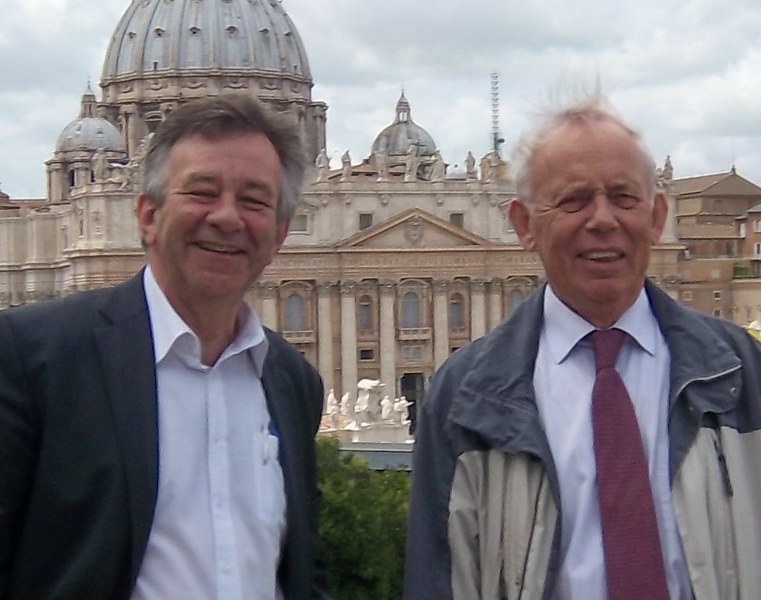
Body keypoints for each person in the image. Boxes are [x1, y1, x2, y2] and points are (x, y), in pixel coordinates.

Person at [404, 93, 761, 599]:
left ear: (657, 217)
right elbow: (436, 579)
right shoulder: (462, 394)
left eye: (623, 197)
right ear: (524, 225)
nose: (602, 220)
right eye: (573, 200)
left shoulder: (743, 371)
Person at [0, 94, 329, 599]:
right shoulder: (32, 358)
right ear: (147, 215)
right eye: (201, 191)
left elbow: (299, 570)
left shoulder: (294, 382)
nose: (227, 218)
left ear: (281, 232)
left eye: (254, 200)